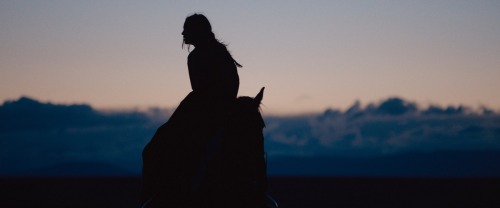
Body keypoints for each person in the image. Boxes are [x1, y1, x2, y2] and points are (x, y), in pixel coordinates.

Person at [141, 13, 242, 208]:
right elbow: (232, 85)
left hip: (203, 110)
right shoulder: (221, 52)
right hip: (223, 109)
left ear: (197, 31)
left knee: (154, 148)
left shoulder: (196, 56)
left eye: (186, 29)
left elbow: (199, 88)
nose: (182, 33)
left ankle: (153, 198)